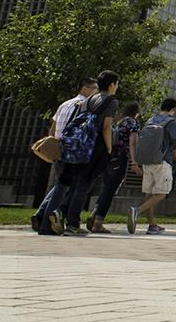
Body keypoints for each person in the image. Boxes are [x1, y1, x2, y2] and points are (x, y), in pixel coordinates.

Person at [52, 70, 121, 236]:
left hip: (80, 145)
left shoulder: (90, 99)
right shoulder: (112, 101)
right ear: (112, 84)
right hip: (96, 146)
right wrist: (109, 148)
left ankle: (60, 212)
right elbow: (106, 127)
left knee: (75, 183)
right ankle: (72, 224)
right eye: (117, 84)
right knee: (84, 185)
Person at [32, 77, 97, 234]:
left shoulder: (64, 104)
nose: (95, 92)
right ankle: (46, 225)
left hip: (59, 146)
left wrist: (53, 145)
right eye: (93, 88)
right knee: (63, 187)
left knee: (59, 184)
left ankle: (40, 214)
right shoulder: (82, 105)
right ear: (84, 88)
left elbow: (53, 128)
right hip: (71, 149)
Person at [130, 97, 176, 235]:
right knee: (161, 193)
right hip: (162, 161)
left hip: (147, 161)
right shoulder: (171, 122)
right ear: (173, 109)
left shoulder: (150, 120)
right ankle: (137, 211)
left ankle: (152, 225)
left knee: (149, 194)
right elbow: (175, 144)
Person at [87, 102, 139, 234]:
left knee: (106, 189)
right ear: (136, 113)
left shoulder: (119, 122)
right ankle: (98, 223)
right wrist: (134, 162)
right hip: (121, 159)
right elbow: (132, 142)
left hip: (109, 158)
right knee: (110, 191)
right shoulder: (132, 123)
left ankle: (93, 215)